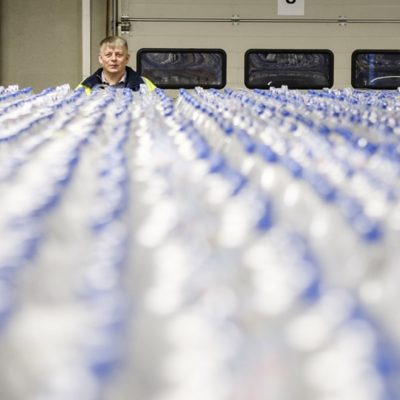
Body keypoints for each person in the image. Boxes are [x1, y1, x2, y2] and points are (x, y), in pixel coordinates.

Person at [78, 36, 156, 94]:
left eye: (119, 55)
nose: (114, 59)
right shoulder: (86, 86)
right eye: (108, 55)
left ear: (127, 58)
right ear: (100, 59)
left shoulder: (144, 84)